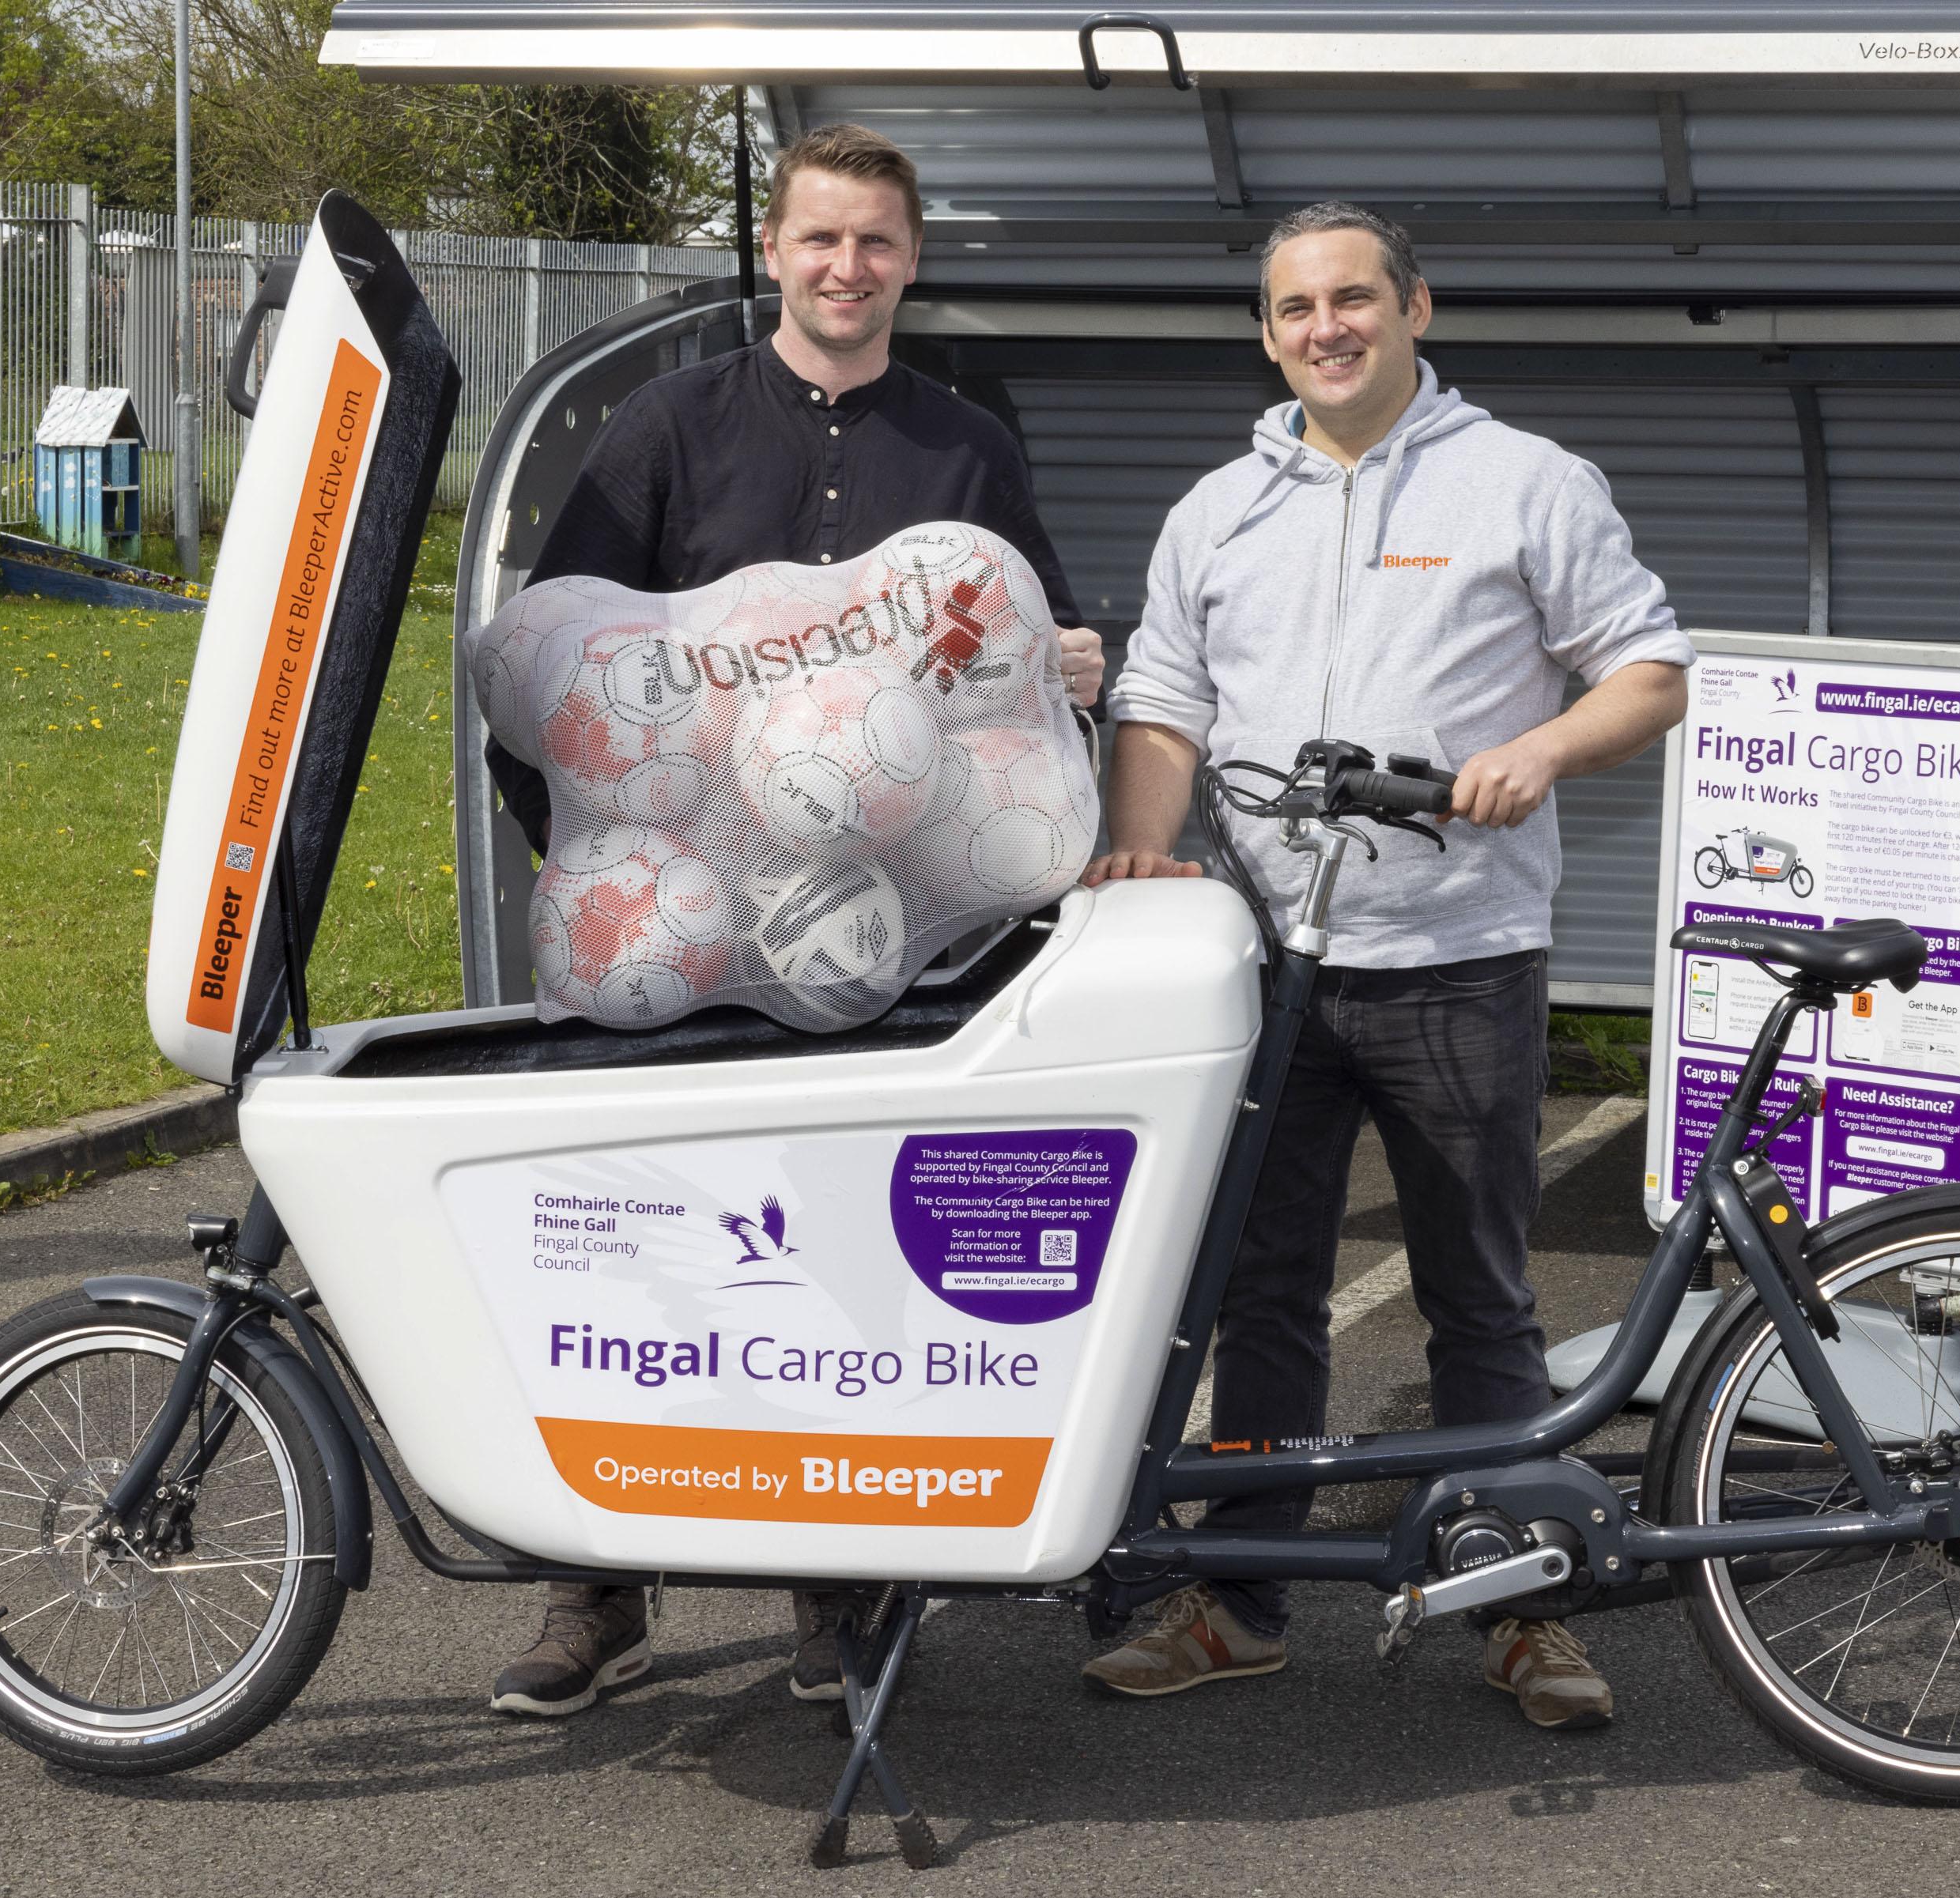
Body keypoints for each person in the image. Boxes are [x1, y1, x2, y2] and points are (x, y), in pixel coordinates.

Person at [485, 121, 1105, 1722]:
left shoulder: (965, 447)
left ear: (911, 260)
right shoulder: (662, 429)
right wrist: (599, 874)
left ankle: (838, 1600)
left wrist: (1068, 665)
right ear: (771, 248)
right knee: (623, 1244)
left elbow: (1011, 657)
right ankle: (590, 1595)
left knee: (837, 1266)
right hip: (673, 943)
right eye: (820, 239)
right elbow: (554, 686)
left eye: (877, 244)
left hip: (877, 946)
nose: (847, 269)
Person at [1081, 202, 1691, 1730]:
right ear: (1267, 333)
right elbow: (1160, 698)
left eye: (1354, 298)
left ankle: (1520, 1605)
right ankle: (1242, 1601)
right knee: (1261, 1292)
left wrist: (1540, 748)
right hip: (1265, 969)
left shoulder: (1523, 483)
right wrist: (1144, 850)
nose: (1326, 328)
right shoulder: (1218, 508)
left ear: (1417, 307)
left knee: (1477, 1298)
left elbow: (1649, 668)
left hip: (1457, 962)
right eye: (1295, 309)